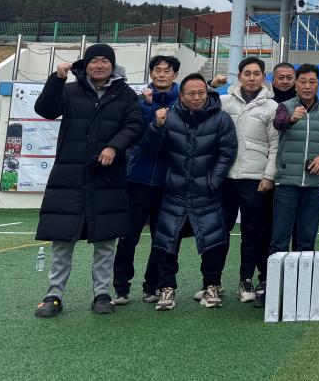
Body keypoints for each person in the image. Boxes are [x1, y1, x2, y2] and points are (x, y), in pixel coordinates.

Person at [33, 44, 142, 317]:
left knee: (105, 242)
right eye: (94, 61)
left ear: (113, 66)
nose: (99, 65)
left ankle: (102, 294)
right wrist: (56, 79)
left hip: (107, 177)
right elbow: (45, 109)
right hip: (69, 177)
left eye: (105, 61)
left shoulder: (126, 94)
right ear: (86, 65)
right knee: (62, 240)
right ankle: (53, 295)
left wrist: (114, 147)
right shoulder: (69, 90)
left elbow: (134, 126)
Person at [146, 73, 237, 311]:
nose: (197, 98)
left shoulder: (221, 118)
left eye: (201, 93)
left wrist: (213, 181)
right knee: (167, 240)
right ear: (181, 95)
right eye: (191, 94)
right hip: (174, 190)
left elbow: (227, 153)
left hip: (207, 191)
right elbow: (153, 149)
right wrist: (156, 126)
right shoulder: (169, 117)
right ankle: (167, 287)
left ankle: (211, 285)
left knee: (214, 241)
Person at [112, 55, 181, 306]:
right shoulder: (137, 100)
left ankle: (153, 285)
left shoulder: (183, 102)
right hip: (137, 178)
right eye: (158, 70)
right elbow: (136, 135)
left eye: (167, 70)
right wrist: (149, 109)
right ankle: (121, 287)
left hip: (168, 181)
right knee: (128, 236)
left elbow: (173, 136)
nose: (162, 74)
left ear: (175, 75)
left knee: (162, 238)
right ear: (151, 73)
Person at [219, 57, 278, 305]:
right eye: (247, 73)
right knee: (219, 231)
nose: (251, 78)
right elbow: (198, 102)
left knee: (252, 233)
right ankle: (212, 282)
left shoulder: (272, 107)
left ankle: (246, 280)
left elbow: (275, 145)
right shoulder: (224, 102)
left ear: (263, 77)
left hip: (255, 180)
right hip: (225, 178)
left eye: (256, 73)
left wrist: (268, 176)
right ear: (239, 76)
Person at [271, 64, 319, 253]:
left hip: (314, 185)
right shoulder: (285, 107)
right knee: (279, 238)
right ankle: (277, 273)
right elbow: (278, 123)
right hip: (286, 183)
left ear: (318, 85)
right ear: (296, 85)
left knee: (307, 240)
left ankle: (303, 274)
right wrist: (291, 119)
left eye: (312, 82)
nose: (307, 86)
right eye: (303, 82)